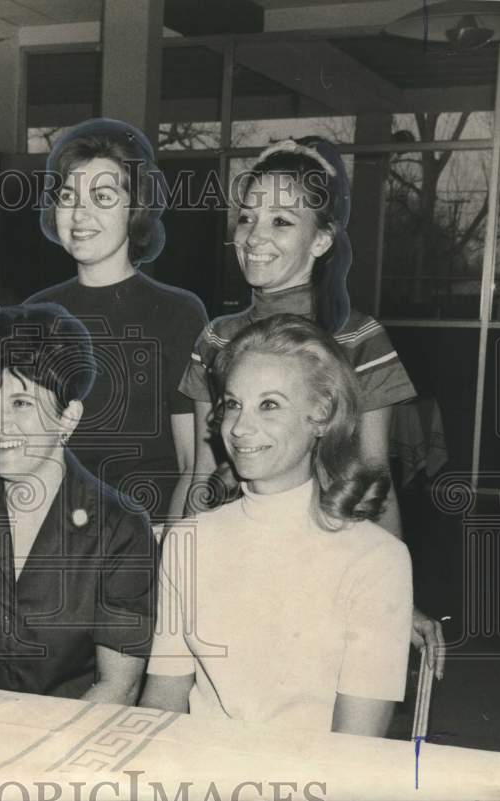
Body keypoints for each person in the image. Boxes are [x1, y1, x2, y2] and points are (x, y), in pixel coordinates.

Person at [179, 137, 444, 677]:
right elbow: (198, 473)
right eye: (247, 218)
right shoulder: (215, 337)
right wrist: (174, 574)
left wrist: (396, 594)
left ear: (321, 239)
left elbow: (373, 476)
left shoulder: (360, 337)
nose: (255, 237)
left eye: (281, 221)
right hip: (235, 559)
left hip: (328, 558)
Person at [141, 314, 412, 736]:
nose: (241, 428)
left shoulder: (376, 559)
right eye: (233, 404)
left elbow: (355, 749)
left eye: (269, 405)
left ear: (320, 416)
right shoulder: (190, 540)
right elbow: (161, 703)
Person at [0, 304, 156, 702]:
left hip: (71, 747)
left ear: (68, 417)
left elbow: (117, 687)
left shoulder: (121, 528)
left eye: (21, 403)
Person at [27, 118, 207, 525]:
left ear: (135, 209)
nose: (80, 213)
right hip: (58, 537)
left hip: (148, 532)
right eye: (69, 196)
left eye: (103, 196)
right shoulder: (36, 312)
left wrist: (171, 552)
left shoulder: (178, 313)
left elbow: (191, 461)